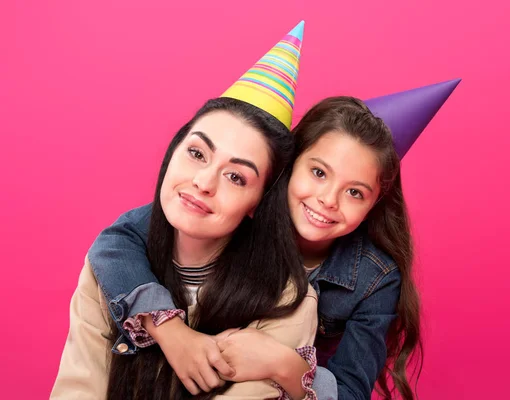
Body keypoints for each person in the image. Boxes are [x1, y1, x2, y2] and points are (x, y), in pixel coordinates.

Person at [52, 22, 322, 400]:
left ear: (258, 204)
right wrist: (169, 329)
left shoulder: (287, 298)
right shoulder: (111, 268)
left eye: (236, 177)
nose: (204, 182)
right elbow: (78, 387)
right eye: (197, 153)